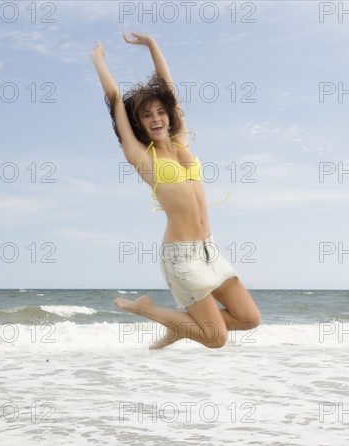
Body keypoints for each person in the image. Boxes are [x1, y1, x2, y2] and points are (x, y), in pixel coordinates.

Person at [90, 32, 261, 349]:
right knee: (215, 338)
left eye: (160, 112)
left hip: (210, 250)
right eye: (146, 115)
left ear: (168, 114)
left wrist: (153, 44)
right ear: (139, 124)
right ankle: (147, 309)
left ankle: (180, 326)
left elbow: (168, 87)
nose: (155, 118)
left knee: (250, 319)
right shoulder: (142, 158)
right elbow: (115, 100)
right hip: (181, 258)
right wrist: (99, 61)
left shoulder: (182, 141)